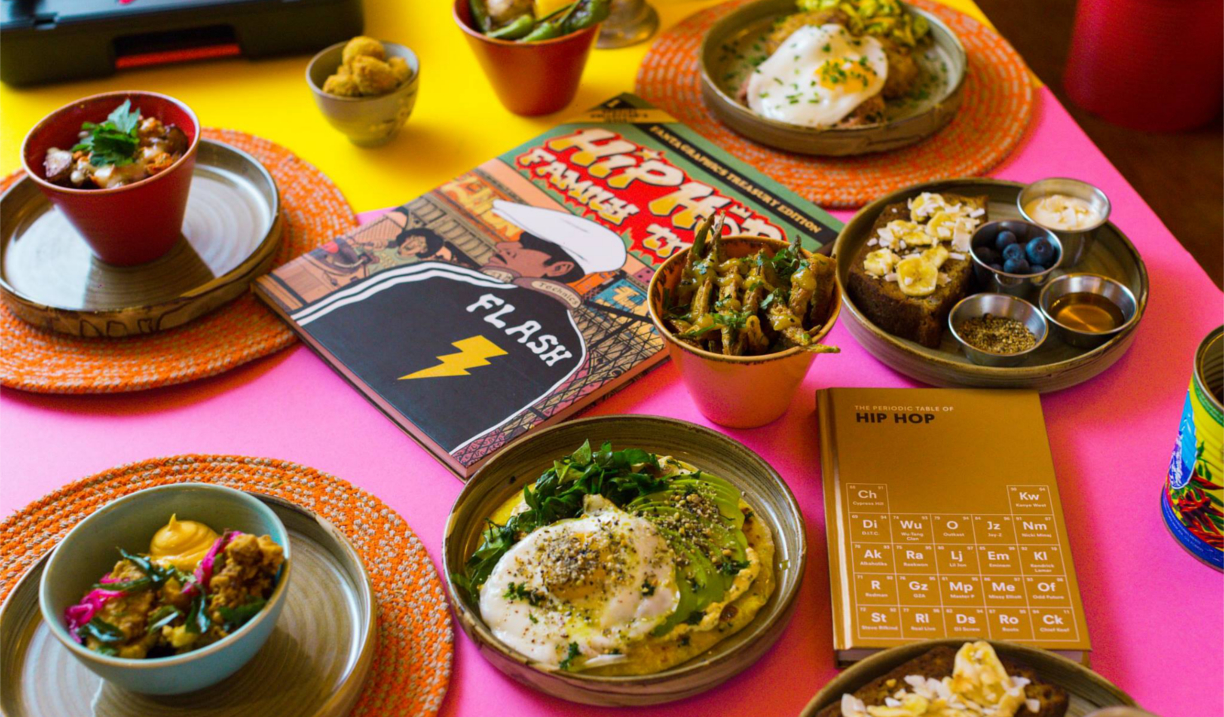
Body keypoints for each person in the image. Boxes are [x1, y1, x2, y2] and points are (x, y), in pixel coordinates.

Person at [290, 200, 628, 455]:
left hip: (306, 399)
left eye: (523, 245)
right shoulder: (571, 350)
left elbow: (324, 318)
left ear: (559, 267)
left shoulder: (442, 277)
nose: (503, 245)